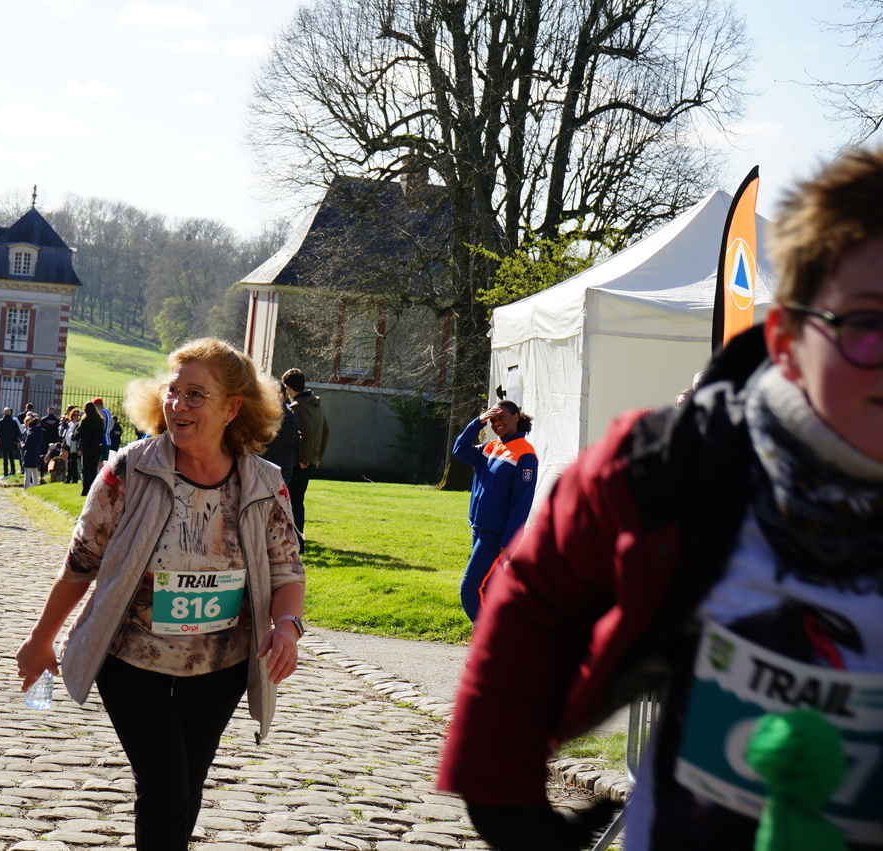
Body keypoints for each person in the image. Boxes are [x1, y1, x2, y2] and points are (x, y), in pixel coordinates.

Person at [438, 147, 883, 850]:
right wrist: (502, 791)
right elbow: (539, 600)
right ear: (788, 342)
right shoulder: (670, 464)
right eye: (867, 324)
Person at [15, 337, 305, 851]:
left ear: (232, 408)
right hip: (131, 658)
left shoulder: (264, 483)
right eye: (173, 390)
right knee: (166, 787)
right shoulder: (130, 470)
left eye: (196, 395)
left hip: (220, 664)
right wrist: (42, 638)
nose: (178, 404)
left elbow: (287, 571)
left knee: (187, 785)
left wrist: (286, 627)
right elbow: (81, 564)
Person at [449, 400, 538, 622]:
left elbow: (522, 502)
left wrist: (510, 539)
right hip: (478, 528)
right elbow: (459, 450)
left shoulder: (525, 454)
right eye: (493, 419)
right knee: (490, 588)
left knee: (470, 589)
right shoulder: (490, 447)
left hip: (495, 535)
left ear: (516, 417)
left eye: (501, 417)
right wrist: (479, 421)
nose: (496, 423)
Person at [281, 368, 330, 552]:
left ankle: (298, 543)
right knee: (297, 501)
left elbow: (307, 434)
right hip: (312, 460)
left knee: (294, 503)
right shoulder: (315, 404)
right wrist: (318, 457)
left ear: (288, 387)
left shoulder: (298, 407)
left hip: (301, 463)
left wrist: (304, 459)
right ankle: (296, 542)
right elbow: (326, 430)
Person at [261, 388, 300, 484]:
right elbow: (295, 440)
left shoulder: (265, 416)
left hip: (266, 465)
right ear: (285, 397)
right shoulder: (292, 418)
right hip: (285, 467)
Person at [75, 401, 107, 496]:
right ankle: (93, 489)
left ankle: (86, 490)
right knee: (93, 469)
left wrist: (73, 436)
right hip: (97, 447)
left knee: (86, 469)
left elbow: (80, 433)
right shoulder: (100, 420)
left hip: (87, 447)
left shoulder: (85, 420)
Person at [20, 415, 46, 488]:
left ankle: (27, 487)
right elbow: (43, 445)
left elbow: (26, 446)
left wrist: (22, 445)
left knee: (28, 474)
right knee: (35, 474)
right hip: (37, 454)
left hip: (29, 455)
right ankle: (35, 487)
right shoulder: (41, 434)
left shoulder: (30, 434)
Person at [0, 407, 21, 479]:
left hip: (3, 441)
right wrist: (16, 440)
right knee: (11, 457)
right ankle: (13, 472)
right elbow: (18, 432)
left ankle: (5, 474)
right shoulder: (14, 422)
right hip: (12, 441)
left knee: (5, 458)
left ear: (4, 413)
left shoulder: (1, 422)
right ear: (10, 413)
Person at [64, 406, 82, 484]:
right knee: (70, 463)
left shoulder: (78, 425)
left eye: (78, 415)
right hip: (69, 445)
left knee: (74, 463)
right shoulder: (70, 424)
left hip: (75, 446)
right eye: (74, 415)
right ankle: (68, 479)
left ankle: (75, 479)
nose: (76, 416)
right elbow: (66, 434)